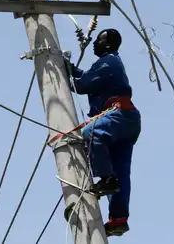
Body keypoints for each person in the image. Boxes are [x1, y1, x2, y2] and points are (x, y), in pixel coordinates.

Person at [64, 28, 141, 237]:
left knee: (91, 133)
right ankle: (118, 219)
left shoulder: (109, 61)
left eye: (98, 40)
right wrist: (69, 67)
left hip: (119, 115)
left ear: (107, 44)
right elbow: (86, 77)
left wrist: (62, 67)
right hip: (126, 120)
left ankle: (106, 179)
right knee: (121, 172)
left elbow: (81, 85)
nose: (94, 43)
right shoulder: (108, 63)